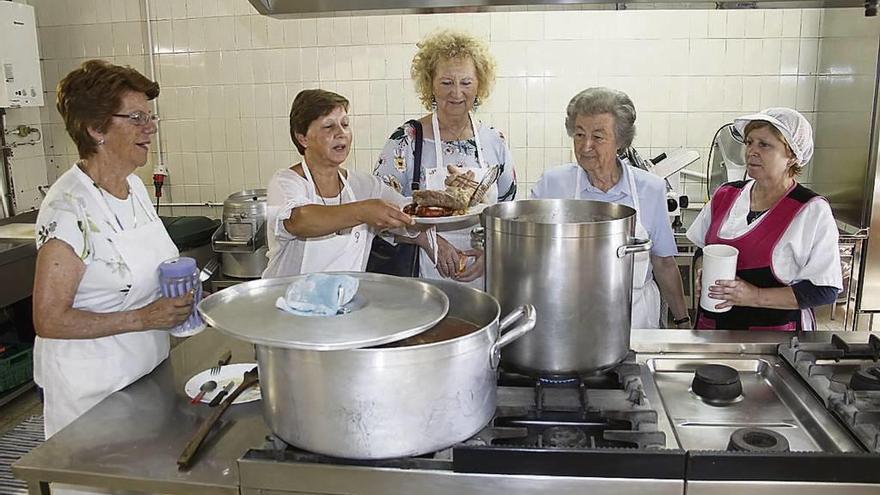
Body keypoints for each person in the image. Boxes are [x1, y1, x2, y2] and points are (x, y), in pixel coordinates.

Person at [32, 61, 193, 447]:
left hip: (146, 374)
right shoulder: (70, 208)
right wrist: (143, 318)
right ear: (96, 127)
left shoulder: (133, 188)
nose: (150, 127)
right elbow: (49, 319)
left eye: (150, 117)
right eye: (137, 117)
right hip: (93, 392)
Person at [531, 87, 689, 329]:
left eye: (598, 136)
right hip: (568, 321)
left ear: (621, 141)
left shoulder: (650, 188)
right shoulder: (552, 185)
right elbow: (528, 251)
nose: (585, 147)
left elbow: (664, 263)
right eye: (579, 135)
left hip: (634, 321)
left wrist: (682, 320)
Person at [374, 29, 516, 288]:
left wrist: (490, 251)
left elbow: (508, 210)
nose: (457, 93)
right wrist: (427, 240)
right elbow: (379, 214)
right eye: (446, 82)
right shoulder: (406, 140)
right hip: (423, 278)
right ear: (430, 84)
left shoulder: (494, 141)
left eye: (466, 82)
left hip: (485, 275)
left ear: (479, 84)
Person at [686, 108, 841, 331]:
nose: (751, 151)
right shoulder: (725, 195)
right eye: (749, 142)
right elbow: (702, 248)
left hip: (774, 339)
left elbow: (824, 289)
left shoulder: (811, 210)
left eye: (764, 145)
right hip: (713, 330)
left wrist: (754, 296)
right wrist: (702, 272)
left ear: (792, 156)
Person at [263, 89, 416, 278]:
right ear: (302, 138)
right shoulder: (286, 182)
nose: (341, 133)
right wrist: (362, 212)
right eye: (328, 126)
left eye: (345, 124)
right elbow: (299, 220)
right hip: (289, 302)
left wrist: (447, 201)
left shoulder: (365, 186)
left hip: (344, 303)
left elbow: (409, 212)